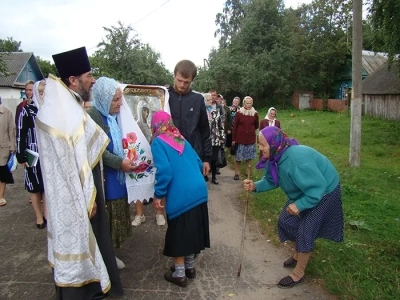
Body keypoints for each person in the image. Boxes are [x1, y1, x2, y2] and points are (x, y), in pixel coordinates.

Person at [36, 47, 123, 299]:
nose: (92, 80)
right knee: (81, 244)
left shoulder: (65, 105)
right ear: (73, 80)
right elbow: (75, 161)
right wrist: (88, 197)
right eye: (88, 75)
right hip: (76, 194)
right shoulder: (63, 113)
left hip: (73, 191)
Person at [243, 126, 344, 288]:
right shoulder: (274, 157)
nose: (259, 149)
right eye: (259, 145)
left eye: (262, 145)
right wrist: (255, 186)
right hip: (305, 191)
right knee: (286, 221)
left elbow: (317, 188)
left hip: (325, 191)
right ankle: (300, 252)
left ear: (274, 144)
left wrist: (300, 204)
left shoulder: (297, 160)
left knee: (306, 228)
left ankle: (299, 273)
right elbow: (271, 180)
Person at [151, 111, 210, 288]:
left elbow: (165, 172)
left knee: (180, 233)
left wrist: (158, 194)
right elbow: (199, 163)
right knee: (191, 231)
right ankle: (190, 267)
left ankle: (179, 273)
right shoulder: (180, 138)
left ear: (154, 125)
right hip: (199, 191)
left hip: (181, 194)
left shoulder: (158, 142)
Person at [88, 77, 135, 269]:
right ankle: (104, 257)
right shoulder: (93, 116)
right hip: (104, 176)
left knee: (116, 212)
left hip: (117, 175)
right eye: (115, 99)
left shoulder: (116, 116)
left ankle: (110, 252)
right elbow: (98, 149)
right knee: (106, 215)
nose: (119, 103)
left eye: (120, 98)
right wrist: (119, 162)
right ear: (103, 98)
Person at [168, 60, 211, 178]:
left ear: (192, 80)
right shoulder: (164, 96)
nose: (182, 85)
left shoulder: (198, 99)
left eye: (186, 82)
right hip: (169, 154)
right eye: (179, 80)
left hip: (193, 153)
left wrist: (206, 159)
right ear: (174, 75)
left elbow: (205, 130)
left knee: (190, 192)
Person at [16, 80, 46, 229]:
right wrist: (20, 155)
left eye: (44, 92)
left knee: (46, 186)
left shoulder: (49, 111)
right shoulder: (27, 110)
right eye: (39, 92)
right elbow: (20, 134)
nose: (42, 95)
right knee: (34, 186)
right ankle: (39, 216)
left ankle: (47, 214)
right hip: (33, 153)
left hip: (47, 154)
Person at [232, 96, 259, 180]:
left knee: (249, 158)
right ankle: (237, 173)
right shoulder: (239, 113)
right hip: (240, 139)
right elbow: (235, 127)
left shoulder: (254, 113)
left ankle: (248, 174)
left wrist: (250, 131)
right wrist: (234, 139)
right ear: (244, 103)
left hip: (250, 139)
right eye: (247, 103)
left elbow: (256, 125)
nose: (248, 104)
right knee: (238, 158)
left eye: (250, 103)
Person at [204, 93, 225, 184]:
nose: (210, 101)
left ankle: (214, 177)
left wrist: (222, 137)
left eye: (211, 99)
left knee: (214, 159)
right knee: (205, 158)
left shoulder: (216, 111)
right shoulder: (202, 112)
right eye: (208, 100)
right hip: (205, 140)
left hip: (215, 139)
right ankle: (204, 175)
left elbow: (221, 125)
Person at [0, 96, 16, 206]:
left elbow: (12, 130)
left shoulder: (7, 112)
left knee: (2, 171)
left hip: (3, 147)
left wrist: (12, 147)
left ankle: (1, 196)